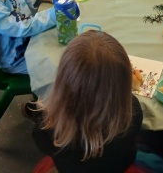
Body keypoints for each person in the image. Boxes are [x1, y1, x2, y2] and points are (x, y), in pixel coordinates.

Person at [30, 30, 143, 173]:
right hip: (120, 167)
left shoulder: (48, 130)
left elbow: (44, 146)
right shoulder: (133, 111)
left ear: (62, 80)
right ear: (124, 82)